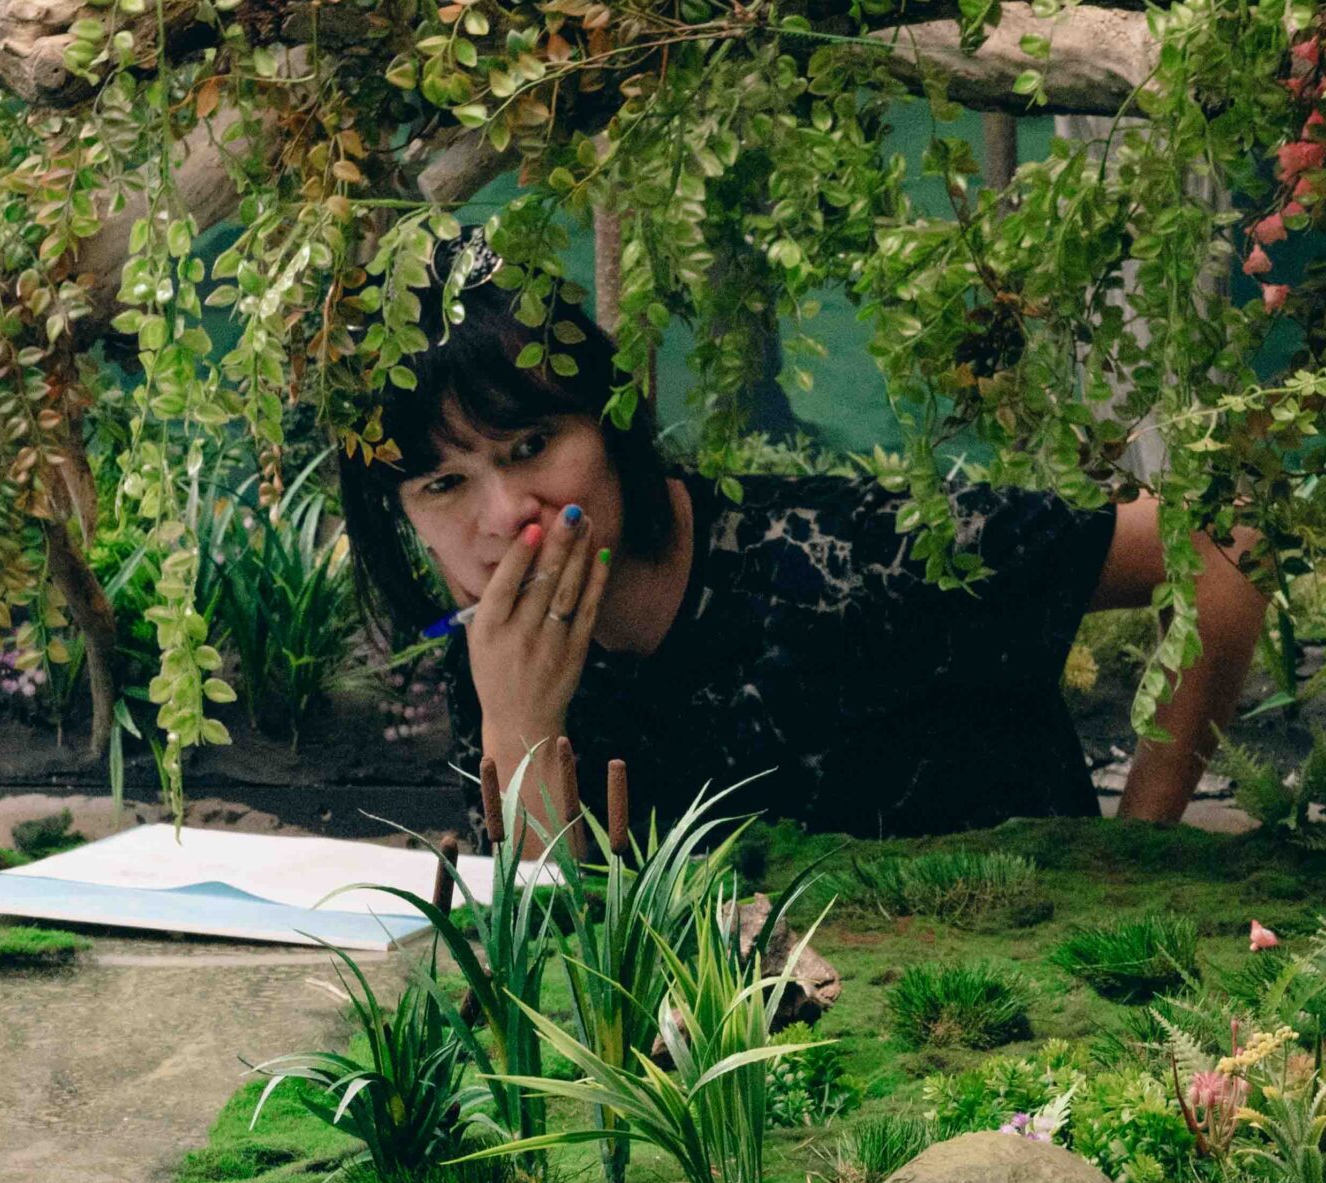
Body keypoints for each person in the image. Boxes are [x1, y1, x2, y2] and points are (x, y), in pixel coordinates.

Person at [339, 229, 1269, 855]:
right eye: (444, 485)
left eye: (533, 446)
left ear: (612, 422)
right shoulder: (494, 656)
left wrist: (1139, 847)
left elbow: (1220, 543)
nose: (510, 515)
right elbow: (560, 977)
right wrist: (521, 730)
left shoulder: (846, 559)